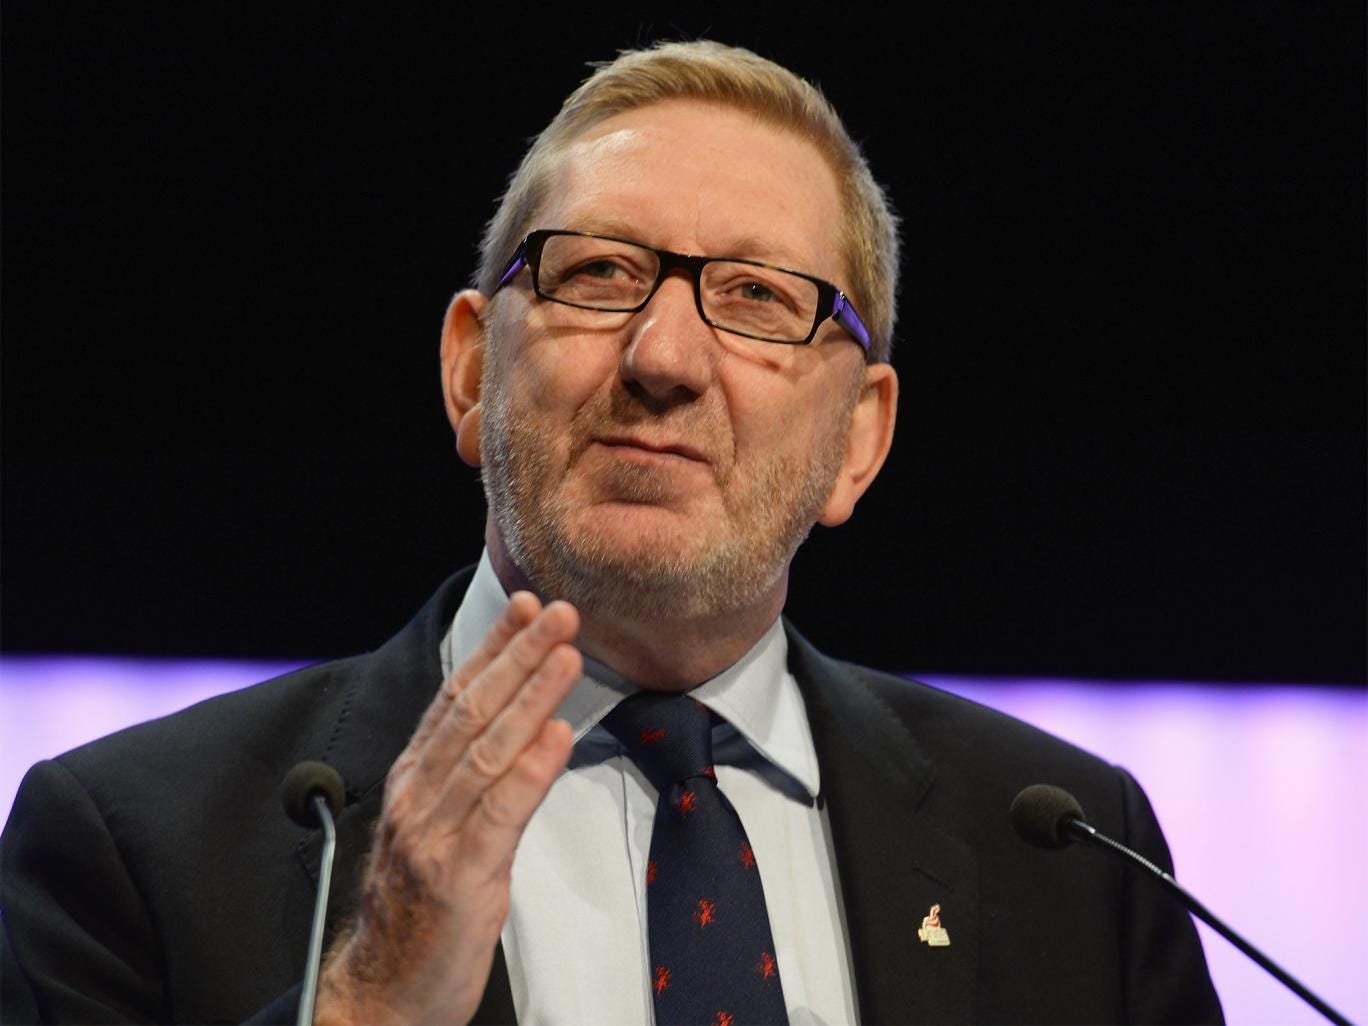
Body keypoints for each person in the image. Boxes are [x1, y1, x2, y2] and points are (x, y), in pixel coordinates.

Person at [1, 40, 1222, 1025]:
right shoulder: (129, 845)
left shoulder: (1074, 856)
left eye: (758, 298)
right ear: (472, 370)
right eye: (598, 274)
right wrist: (371, 1003)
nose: (664, 356)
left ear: (859, 438)